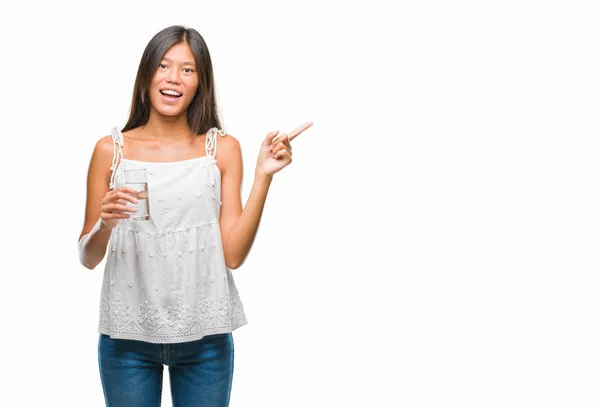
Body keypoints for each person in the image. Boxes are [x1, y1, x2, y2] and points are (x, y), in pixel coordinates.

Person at [77, 25, 312, 407]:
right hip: (126, 341)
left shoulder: (221, 149)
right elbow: (87, 258)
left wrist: (262, 178)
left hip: (206, 339)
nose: (173, 78)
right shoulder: (111, 150)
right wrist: (106, 223)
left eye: (187, 69)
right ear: (146, 75)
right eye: (164, 66)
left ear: (200, 81)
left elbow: (232, 255)